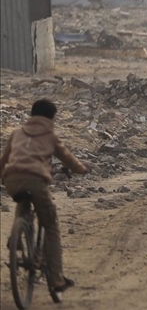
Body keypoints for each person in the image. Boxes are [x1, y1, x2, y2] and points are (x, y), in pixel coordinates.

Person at [1, 99, 87, 294]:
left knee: (22, 199)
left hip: (12, 180)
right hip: (36, 181)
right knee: (51, 225)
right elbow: (68, 158)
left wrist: (4, 178)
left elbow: (4, 159)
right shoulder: (50, 136)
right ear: (51, 117)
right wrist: (81, 169)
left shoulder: (16, 133)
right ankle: (56, 279)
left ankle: (16, 238)